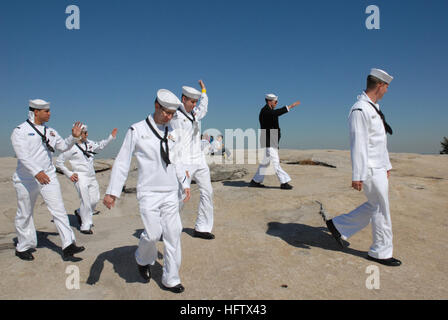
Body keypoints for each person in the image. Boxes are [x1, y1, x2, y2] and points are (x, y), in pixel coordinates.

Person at [103, 89, 191, 293]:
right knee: (152, 234)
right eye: (166, 112)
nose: (169, 117)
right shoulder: (137, 130)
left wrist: (185, 184)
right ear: (156, 106)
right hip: (149, 193)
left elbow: (177, 160)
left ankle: (171, 279)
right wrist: (112, 192)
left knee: (173, 234)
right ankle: (142, 259)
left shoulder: (173, 132)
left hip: (170, 192)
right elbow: (123, 161)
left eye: (172, 113)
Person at [325, 68, 401, 267]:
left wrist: (387, 165)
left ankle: (338, 225)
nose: (387, 91)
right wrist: (357, 175)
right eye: (387, 87)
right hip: (369, 169)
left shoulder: (372, 108)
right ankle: (380, 252)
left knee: (376, 205)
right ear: (380, 85)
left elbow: (378, 142)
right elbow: (358, 144)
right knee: (381, 209)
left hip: (379, 167)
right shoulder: (360, 109)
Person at [11, 99, 86, 261]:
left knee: (58, 209)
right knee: (25, 212)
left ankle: (68, 245)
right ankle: (23, 246)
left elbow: (62, 146)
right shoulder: (20, 131)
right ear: (35, 112)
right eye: (46, 111)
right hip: (27, 178)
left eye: (49, 110)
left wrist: (73, 137)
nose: (49, 114)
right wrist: (36, 172)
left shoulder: (50, 131)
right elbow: (22, 155)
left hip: (48, 176)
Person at [170, 80, 215, 240]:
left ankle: (202, 228)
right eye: (191, 101)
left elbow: (204, 106)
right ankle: (166, 226)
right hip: (185, 160)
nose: (194, 104)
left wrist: (204, 91)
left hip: (199, 159)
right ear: (183, 99)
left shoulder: (195, 113)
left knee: (207, 192)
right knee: (181, 195)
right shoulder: (174, 115)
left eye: (195, 101)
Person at [56, 125, 117, 234]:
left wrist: (111, 137)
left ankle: (80, 212)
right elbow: (59, 162)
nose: (87, 134)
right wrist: (69, 173)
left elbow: (100, 145)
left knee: (95, 199)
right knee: (85, 201)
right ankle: (85, 225)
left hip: (91, 176)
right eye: (84, 133)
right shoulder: (70, 148)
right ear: (78, 134)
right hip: (80, 177)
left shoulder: (89, 144)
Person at [249, 93, 301, 189]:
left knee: (265, 162)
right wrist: (290, 106)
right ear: (269, 101)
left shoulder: (269, 110)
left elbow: (275, 114)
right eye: (275, 101)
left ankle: (255, 181)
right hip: (268, 140)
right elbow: (276, 113)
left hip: (271, 139)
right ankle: (284, 182)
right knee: (275, 162)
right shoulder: (265, 111)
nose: (277, 103)